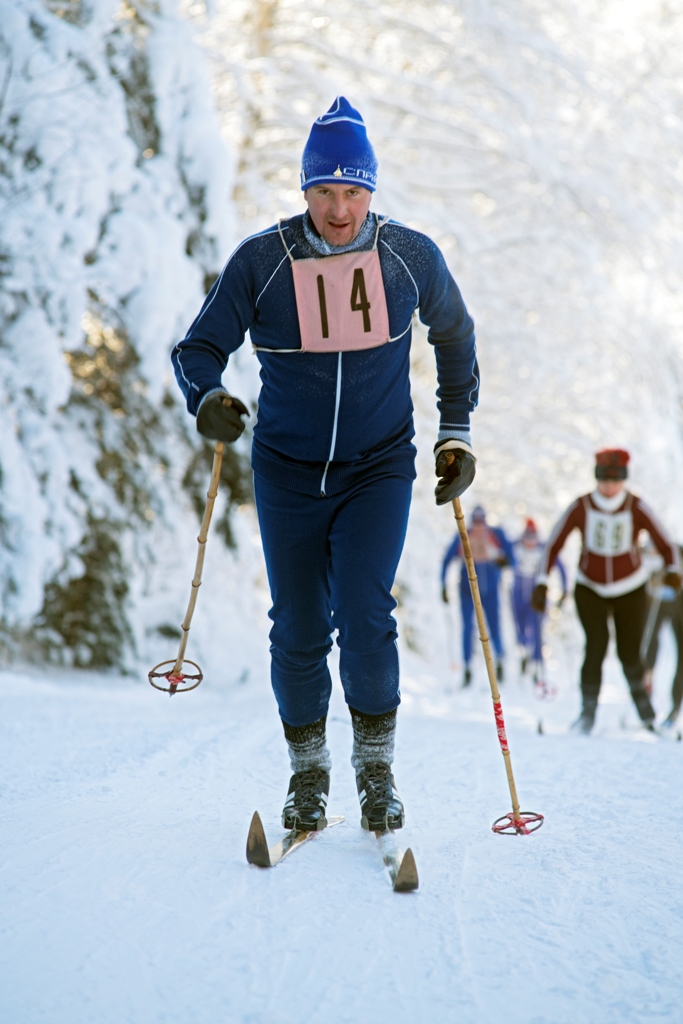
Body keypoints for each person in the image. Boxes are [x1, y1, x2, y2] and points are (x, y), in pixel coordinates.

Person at [172, 97, 478, 832]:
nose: (339, 209)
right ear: (303, 189)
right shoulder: (263, 260)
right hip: (286, 469)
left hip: (377, 467)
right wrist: (208, 398)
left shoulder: (409, 257)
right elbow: (198, 348)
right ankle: (307, 780)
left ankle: (376, 776)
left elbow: (454, 334)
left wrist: (455, 432)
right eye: (324, 191)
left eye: (352, 191)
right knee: (298, 629)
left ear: (371, 191)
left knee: (367, 615)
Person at [532, 449, 681, 733]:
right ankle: (587, 716)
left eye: (615, 479)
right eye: (604, 478)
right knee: (595, 647)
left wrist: (672, 570)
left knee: (630, 653)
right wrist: (542, 581)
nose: (609, 486)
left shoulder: (636, 506)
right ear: (596, 477)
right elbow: (553, 544)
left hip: (631, 590)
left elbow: (665, 543)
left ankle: (647, 716)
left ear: (624, 478)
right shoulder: (582, 506)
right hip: (591, 588)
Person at [441, 505, 513, 686]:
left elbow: (512, 558)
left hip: (490, 591)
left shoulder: (496, 534)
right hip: (467, 591)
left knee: (494, 627)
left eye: (482, 522)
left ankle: (500, 661)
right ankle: (467, 668)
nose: (479, 526)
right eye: (476, 522)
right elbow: (447, 559)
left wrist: (503, 561)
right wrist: (443, 584)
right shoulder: (463, 535)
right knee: (467, 628)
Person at [511, 519, 566, 682]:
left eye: (532, 537)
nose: (529, 541)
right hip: (518, 593)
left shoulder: (543, 549)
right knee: (520, 629)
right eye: (527, 537)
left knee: (537, 629)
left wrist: (564, 589)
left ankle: (536, 664)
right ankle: (524, 652)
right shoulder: (515, 546)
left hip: (538, 596)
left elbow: (560, 566)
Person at [642, 556, 683, 729]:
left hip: (679, 600)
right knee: (649, 647)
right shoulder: (652, 547)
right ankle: (645, 706)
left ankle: (674, 711)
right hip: (656, 600)